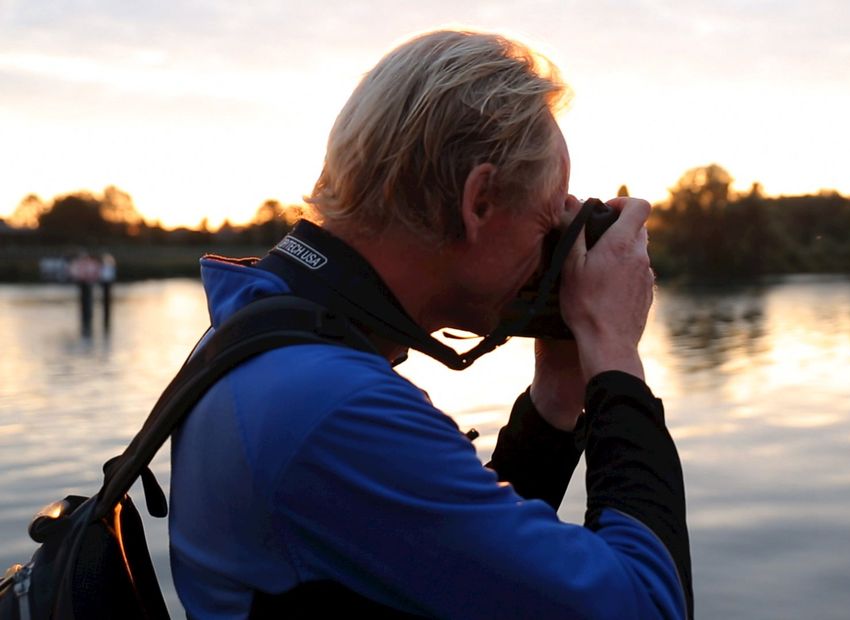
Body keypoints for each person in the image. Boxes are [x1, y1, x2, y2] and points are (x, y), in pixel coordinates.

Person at [169, 30, 692, 619]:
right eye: (547, 223)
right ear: (480, 202)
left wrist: (557, 394)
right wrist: (615, 354)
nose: (550, 255)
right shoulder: (333, 405)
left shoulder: (264, 337)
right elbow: (646, 606)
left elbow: (459, 561)